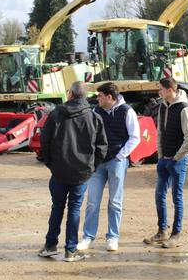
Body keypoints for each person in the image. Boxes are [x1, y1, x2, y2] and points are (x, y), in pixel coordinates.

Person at [38, 82, 108, 262]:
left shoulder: (55, 115)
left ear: (70, 95)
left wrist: (50, 163)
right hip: (81, 173)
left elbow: (44, 142)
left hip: (60, 171)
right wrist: (91, 168)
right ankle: (70, 250)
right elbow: (101, 148)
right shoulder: (94, 118)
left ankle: (50, 245)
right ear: (84, 97)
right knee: (74, 209)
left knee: (57, 208)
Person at [77, 82, 141, 252]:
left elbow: (135, 137)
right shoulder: (95, 112)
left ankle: (113, 237)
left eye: (99, 95)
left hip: (117, 162)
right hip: (98, 163)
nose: (97, 98)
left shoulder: (127, 111)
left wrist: (121, 155)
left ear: (109, 97)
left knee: (115, 202)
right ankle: (87, 237)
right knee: (92, 202)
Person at [143, 77, 188, 249]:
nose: (159, 92)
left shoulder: (184, 109)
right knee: (159, 195)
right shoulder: (163, 107)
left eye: (160, 89)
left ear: (168, 89)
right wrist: (160, 155)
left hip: (177, 160)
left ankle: (176, 234)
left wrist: (176, 158)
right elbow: (159, 133)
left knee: (177, 196)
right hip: (164, 159)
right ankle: (162, 231)